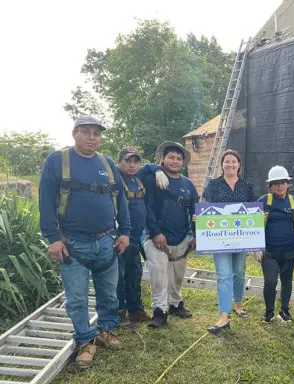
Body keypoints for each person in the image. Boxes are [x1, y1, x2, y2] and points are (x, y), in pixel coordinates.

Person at [39, 116, 131, 370]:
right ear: (74, 134)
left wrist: (125, 232)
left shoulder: (107, 163)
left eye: (96, 133)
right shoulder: (57, 161)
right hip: (73, 245)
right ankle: (85, 340)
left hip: (106, 242)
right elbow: (45, 201)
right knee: (77, 298)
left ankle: (107, 330)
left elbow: (120, 199)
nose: (92, 138)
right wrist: (53, 238)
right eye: (86, 132)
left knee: (109, 294)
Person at [144, 141, 199, 328]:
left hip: (182, 237)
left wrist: (195, 236)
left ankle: (175, 304)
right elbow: (147, 207)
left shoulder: (189, 185)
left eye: (178, 158)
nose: (175, 161)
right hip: (157, 238)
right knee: (159, 275)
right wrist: (155, 232)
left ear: (183, 162)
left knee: (177, 275)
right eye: (171, 157)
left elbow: (195, 212)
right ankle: (160, 311)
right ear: (162, 159)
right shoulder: (153, 179)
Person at [202, 149, 255, 334]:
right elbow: (205, 208)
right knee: (224, 275)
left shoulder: (247, 186)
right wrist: (199, 219)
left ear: (239, 165)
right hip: (219, 239)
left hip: (240, 238)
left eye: (234, 161)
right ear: (222, 165)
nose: (230, 164)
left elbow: (252, 211)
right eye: (227, 162)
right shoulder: (213, 185)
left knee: (239, 272)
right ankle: (223, 317)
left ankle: (238, 304)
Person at [257, 166, 294, 323]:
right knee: (271, 281)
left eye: (282, 182)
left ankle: (285, 311)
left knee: (287, 281)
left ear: (288, 184)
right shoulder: (263, 201)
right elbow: (253, 226)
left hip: (289, 252)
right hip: (269, 252)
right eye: (275, 183)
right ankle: (269, 311)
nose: (279, 186)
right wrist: (256, 247)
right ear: (270, 186)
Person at [115, 147, 150, 326]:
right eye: (128, 161)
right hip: (121, 238)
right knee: (118, 277)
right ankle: (119, 313)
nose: (132, 164)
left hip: (136, 239)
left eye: (136, 161)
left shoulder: (137, 180)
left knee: (134, 274)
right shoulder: (115, 179)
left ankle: (135, 309)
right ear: (119, 161)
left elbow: (153, 166)